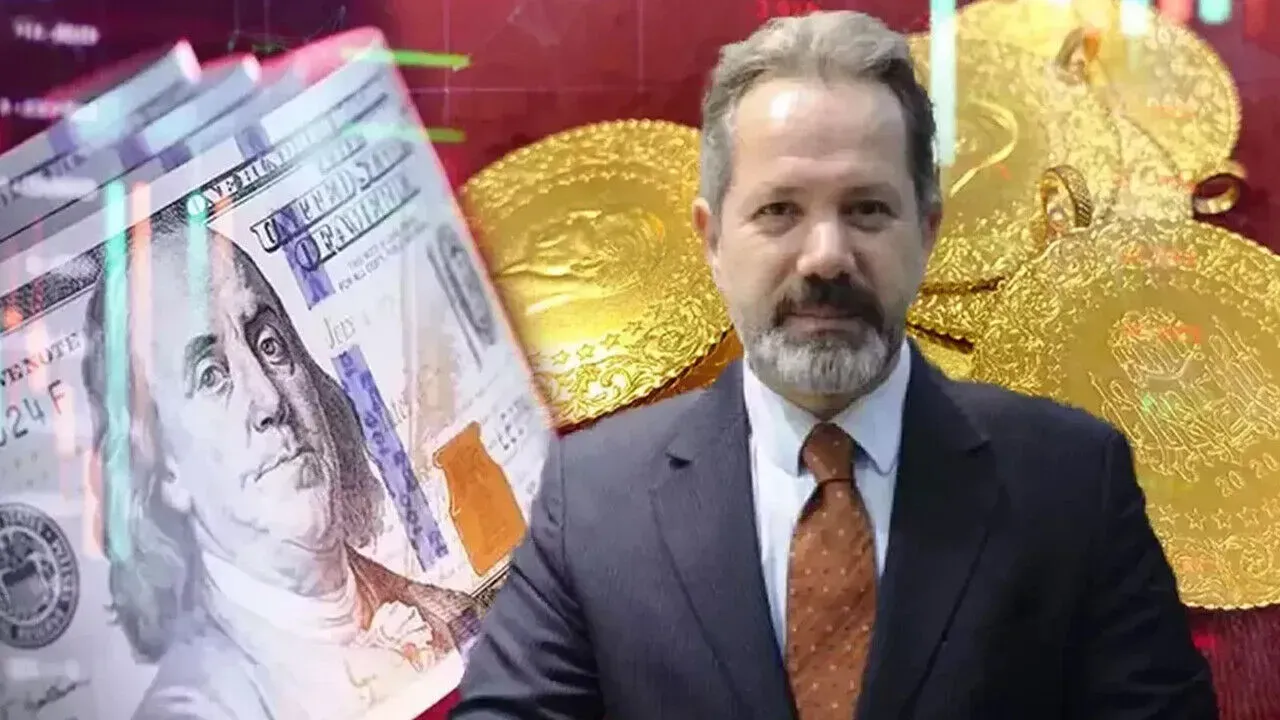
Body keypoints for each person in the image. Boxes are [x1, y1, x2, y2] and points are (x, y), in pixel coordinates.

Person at [453, 10, 1216, 720]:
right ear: (712, 239)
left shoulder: (1076, 483)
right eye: (779, 210)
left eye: (867, 209)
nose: (825, 256)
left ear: (928, 231)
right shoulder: (590, 500)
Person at [81, 207, 481, 720]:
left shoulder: (450, 612)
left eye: (269, 344)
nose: (270, 399)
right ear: (163, 464)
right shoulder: (193, 709)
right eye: (210, 376)